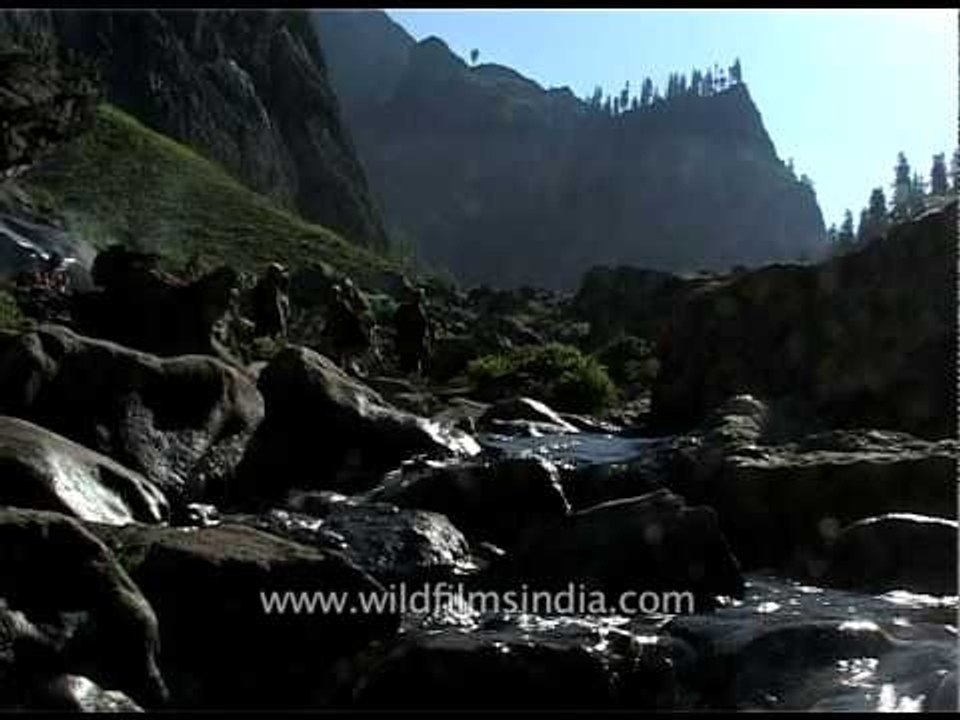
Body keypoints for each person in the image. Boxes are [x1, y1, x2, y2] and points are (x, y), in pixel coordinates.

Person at [393, 286, 431, 375]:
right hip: (409, 342)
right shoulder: (406, 309)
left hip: (411, 342)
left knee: (410, 363)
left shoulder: (405, 309)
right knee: (409, 363)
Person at [250, 263, 290, 339]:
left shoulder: (260, 285)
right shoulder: (272, 288)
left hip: (259, 320)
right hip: (269, 322)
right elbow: (276, 308)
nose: (281, 276)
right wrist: (282, 326)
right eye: (279, 273)